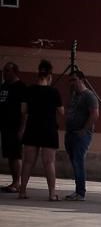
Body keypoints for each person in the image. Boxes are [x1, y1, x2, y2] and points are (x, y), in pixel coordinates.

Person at [18, 60, 64, 201]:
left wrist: (22, 128)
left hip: (32, 128)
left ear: (38, 74)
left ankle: (22, 191)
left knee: (27, 162)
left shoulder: (29, 90)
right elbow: (61, 112)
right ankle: (52, 193)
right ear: (50, 76)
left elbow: (23, 110)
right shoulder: (54, 92)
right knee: (49, 162)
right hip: (49, 129)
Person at [63, 70, 99, 201]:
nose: (72, 83)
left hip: (81, 135)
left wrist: (84, 130)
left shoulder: (89, 96)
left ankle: (80, 192)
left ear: (82, 80)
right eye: (70, 80)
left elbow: (94, 114)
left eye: (74, 80)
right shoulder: (74, 96)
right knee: (74, 161)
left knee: (78, 161)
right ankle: (77, 190)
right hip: (71, 133)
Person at [0, 62, 27, 192]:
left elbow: (24, 111)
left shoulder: (21, 88)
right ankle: (13, 182)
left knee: (15, 155)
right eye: (3, 70)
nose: (4, 73)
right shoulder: (4, 86)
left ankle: (17, 183)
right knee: (9, 155)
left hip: (15, 126)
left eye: (7, 71)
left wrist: (22, 128)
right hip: (4, 126)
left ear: (14, 72)